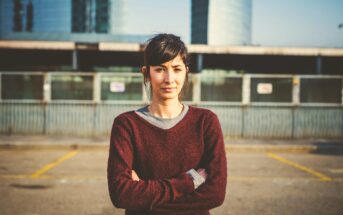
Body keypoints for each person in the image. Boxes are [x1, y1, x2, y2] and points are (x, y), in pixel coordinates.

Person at [107, 33, 227, 215]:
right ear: (146, 73)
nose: (169, 79)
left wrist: (143, 196)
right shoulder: (126, 125)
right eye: (160, 69)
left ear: (186, 71)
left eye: (177, 69)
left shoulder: (205, 122)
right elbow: (121, 194)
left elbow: (215, 194)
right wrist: (189, 181)